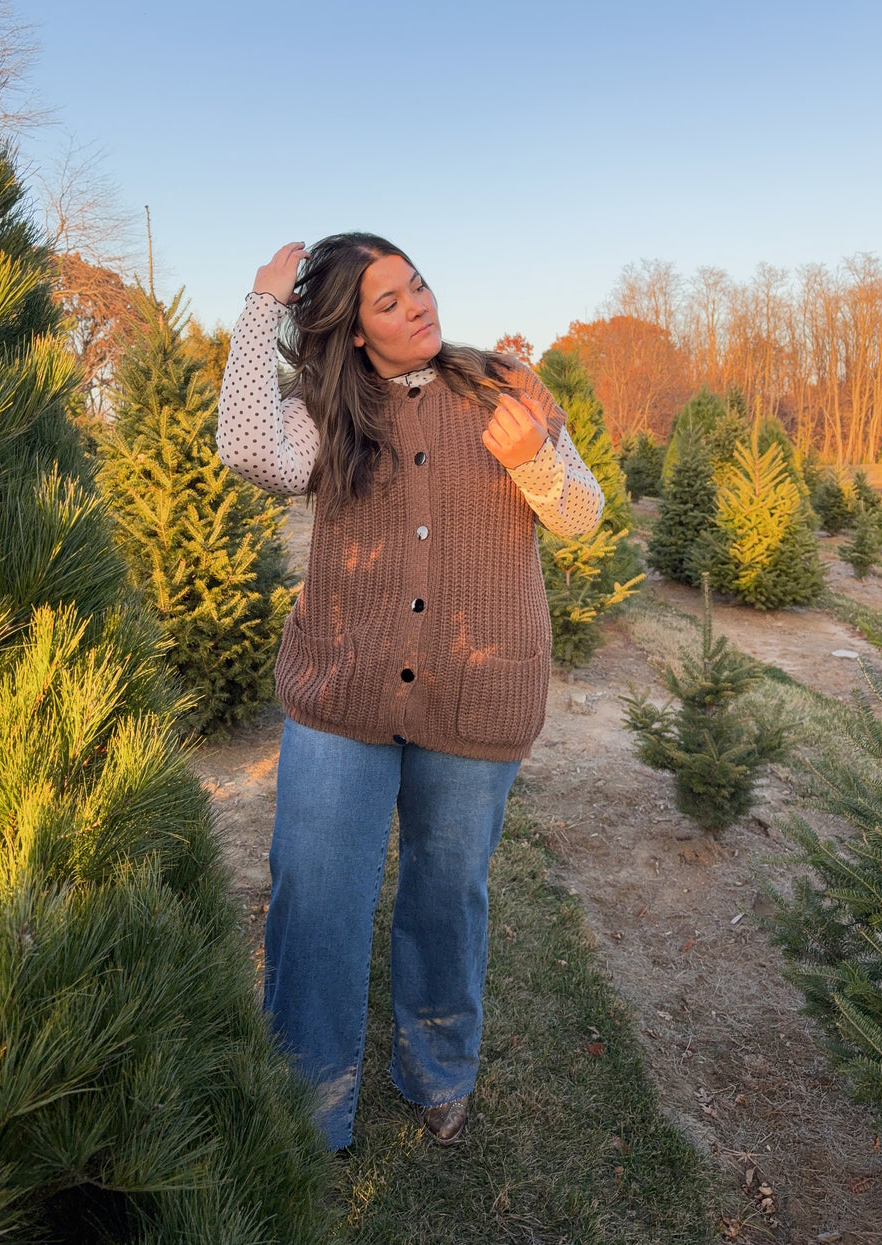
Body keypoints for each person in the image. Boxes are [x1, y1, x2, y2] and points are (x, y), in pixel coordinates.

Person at [217, 234, 604, 1152]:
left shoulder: (505, 385)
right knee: (313, 893)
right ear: (353, 334)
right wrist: (262, 304)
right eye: (387, 302)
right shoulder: (334, 414)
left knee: (447, 889)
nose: (418, 307)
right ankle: (309, 1101)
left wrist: (535, 460)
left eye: (418, 284)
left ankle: (437, 1070)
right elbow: (244, 447)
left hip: (479, 693)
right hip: (343, 690)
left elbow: (583, 517)